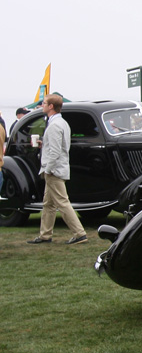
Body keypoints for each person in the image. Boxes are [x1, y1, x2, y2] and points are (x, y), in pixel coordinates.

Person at [28, 95, 89, 245]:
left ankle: (79, 233)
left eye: (44, 103)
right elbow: (61, 147)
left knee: (62, 202)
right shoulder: (62, 123)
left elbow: (55, 152)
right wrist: (45, 144)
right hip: (57, 168)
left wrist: (47, 169)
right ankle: (45, 235)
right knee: (48, 204)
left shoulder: (55, 125)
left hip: (53, 170)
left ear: (51, 107)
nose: (42, 105)